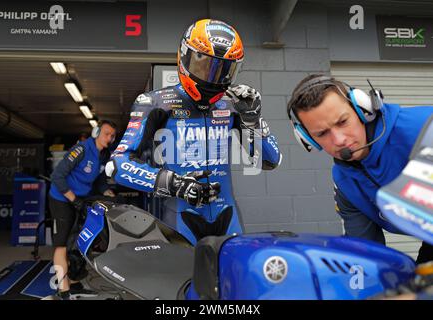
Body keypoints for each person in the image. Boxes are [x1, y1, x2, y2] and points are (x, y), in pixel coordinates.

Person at [105, 19, 282, 245]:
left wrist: (252, 119)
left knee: (233, 278)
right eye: (205, 66)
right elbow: (116, 165)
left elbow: (269, 160)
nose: (213, 78)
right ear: (185, 56)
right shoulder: (155, 102)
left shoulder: (234, 103)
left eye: (224, 70)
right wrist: (174, 184)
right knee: (184, 280)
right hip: (179, 216)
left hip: (226, 215)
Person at [286, 74, 433, 263]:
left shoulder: (423, 128)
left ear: (363, 110)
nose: (339, 140)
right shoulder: (345, 183)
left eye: (342, 122)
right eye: (322, 133)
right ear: (308, 140)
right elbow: (367, 254)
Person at [49, 120, 117, 299]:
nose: (109, 138)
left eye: (112, 135)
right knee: (62, 243)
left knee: (76, 242)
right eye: (106, 133)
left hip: (79, 200)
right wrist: (74, 199)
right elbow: (57, 176)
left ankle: (74, 282)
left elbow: (100, 180)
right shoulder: (81, 150)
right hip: (61, 199)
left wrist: (107, 192)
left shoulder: (104, 155)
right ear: (96, 133)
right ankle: (63, 290)